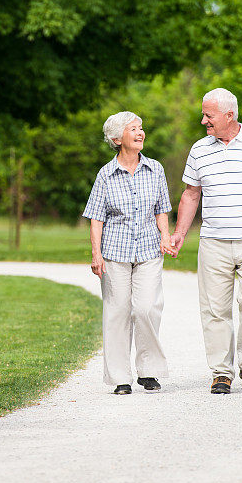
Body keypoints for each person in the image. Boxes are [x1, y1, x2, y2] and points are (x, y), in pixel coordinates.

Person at [169, 88, 242, 394]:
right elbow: (191, 193)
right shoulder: (199, 150)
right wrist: (180, 233)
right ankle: (221, 372)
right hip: (213, 242)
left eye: (208, 115)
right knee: (214, 309)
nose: (203, 121)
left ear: (229, 115)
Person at [82, 111, 173, 395]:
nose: (140, 133)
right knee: (117, 313)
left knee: (147, 309)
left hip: (148, 249)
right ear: (117, 138)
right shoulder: (106, 175)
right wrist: (96, 254)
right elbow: (96, 218)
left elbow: (161, 209)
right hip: (114, 253)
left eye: (141, 128)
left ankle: (149, 372)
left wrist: (166, 237)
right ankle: (121, 378)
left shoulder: (155, 169)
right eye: (133, 129)